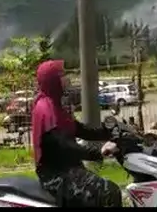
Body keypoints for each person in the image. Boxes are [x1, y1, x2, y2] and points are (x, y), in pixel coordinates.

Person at [31, 60, 123, 207]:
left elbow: (81, 130)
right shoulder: (45, 108)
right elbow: (63, 146)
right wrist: (98, 151)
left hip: (69, 168)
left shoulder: (56, 106)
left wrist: (108, 131)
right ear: (52, 80)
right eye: (62, 75)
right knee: (109, 192)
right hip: (56, 175)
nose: (67, 78)